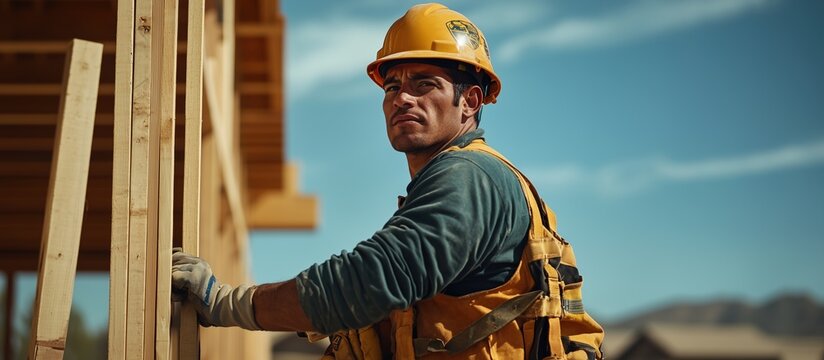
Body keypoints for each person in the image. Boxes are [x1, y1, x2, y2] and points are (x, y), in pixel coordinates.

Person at [172, 3, 603, 359]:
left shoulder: (470, 176)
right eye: (392, 86)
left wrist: (224, 301)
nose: (402, 97)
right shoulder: (462, 180)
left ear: (470, 100)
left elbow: (372, 279)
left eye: (424, 83)